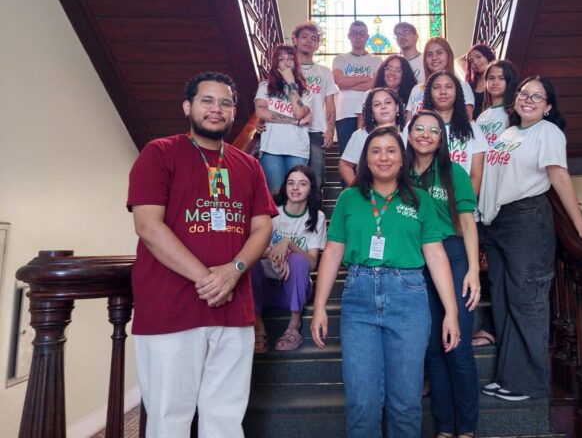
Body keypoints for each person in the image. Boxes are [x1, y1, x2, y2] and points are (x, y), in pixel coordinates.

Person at [127, 71, 276, 438]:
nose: (216, 109)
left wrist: (235, 269)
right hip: (170, 309)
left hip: (233, 311)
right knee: (168, 418)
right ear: (187, 106)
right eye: (207, 100)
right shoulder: (159, 153)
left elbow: (263, 228)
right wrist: (209, 278)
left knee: (225, 418)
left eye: (225, 102)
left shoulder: (249, 165)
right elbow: (148, 226)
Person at [310, 126, 460, 438]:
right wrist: (319, 307)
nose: (383, 157)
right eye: (375, 151)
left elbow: (436, 256)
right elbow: (333, 252)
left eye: (391, 150)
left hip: (409, 298)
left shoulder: (420, 200)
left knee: (405, 402)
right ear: (365, 158)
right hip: (358, 297)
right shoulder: (349, 198)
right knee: (361, 402)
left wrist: (451, 312)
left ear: (402, 158)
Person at [478, 75, 582, 402]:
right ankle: (508, 377)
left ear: (548, 106)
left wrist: (580, 225)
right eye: (524, 93)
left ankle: (529, 384)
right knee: (505, 301)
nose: (528, 99)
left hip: (527, 219)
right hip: (499, 223)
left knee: (527, 300)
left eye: (537, 97)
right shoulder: (508, 133)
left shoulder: (548, 132)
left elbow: (558, 174)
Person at [406, 111, 481, 438]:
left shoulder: (454, 172)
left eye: (433, 130)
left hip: (452, 256)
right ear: (408, 134)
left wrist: (473, 270)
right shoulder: (399, 173)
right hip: (414, 260)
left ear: (441, 138)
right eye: (419, 128)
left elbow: (467, 223)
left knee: (458, 344)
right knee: (434, 347)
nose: (425, 134)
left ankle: (466, 428)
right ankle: (444, 427)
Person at [251, 165, 326, 353]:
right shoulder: (271, 214)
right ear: (285, 187)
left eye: (302, 184)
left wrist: (288, 244)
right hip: (264, 290)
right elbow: (249, 252)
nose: (295, 188)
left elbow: (312, 263)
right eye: (291, 183)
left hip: (292, 289)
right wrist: (273, 253)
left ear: (310, 189)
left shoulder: (317, 217)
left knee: (299, 261)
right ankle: (257, 325)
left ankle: (294, 325)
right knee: (249, 264)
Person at [471, 59, 519, 348]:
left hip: (505, 195)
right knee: (488, 267)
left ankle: (498, 329)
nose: (495, 82)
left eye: (502, 78)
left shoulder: (513, 113)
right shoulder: (483, 115)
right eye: (491, 78)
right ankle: (491, 326)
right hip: (483, 196)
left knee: (504, 270)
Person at [255, 44, 313, 194]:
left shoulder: (306, 92)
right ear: (275, 63)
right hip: (271, 148)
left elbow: (299, 113)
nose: (286, 63)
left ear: (296, 63)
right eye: (281, 59)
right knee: (275, 194)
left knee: (295, 194)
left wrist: (291, 83)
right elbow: (261, 112)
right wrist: (295, 122)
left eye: (290, 59)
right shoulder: (264, 87)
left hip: (297, 149)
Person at [422, 71, 488, 196]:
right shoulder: (415, 127)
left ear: (457, 92)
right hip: (426, 205)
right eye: (437, 87)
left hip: (461, 205)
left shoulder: (473, 129)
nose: (443, 92)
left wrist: (462, 208)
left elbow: (476, 175)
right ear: (429, 93)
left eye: (449, 86)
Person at [293, 20, 337, 187]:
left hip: (315, 131)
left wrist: (330, 129)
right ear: (295, 40)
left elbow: (330, 104)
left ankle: (315, 214)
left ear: (317, 45)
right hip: (290, 129)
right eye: (304, 37)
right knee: (293, 180)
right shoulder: (286, 69)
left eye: (313, 38)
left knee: (316, 179)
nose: (308, 41)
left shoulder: (324, 72)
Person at [333, 20, 381, 155]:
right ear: (349, 36)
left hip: (369, 113)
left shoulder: (376, 60)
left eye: (361, 33)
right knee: (347, 154)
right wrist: (367, 78)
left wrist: (350, 82)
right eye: (354, 33)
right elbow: (341, 83)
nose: (358, 36)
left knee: (368, 154)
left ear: (367, 36)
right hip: (344, 113)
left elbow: (374, 85)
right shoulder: (340, 59)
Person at [339, 87, 406, 186]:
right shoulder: (361, 135)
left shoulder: (408, 133)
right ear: (371, 112)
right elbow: (344, 165)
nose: (383, 107)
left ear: (397, 107)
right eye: (377, 104)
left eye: (388, 102)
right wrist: (357, 191)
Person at [405, 37, 474, 121]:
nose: (434, 57)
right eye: (429, 54)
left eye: (439, 53)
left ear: (448, 55)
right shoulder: (416, 90)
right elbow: (408, 124)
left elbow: (466, 121)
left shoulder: (463, 86)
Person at [356, 53, 417, 128]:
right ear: (382, 71)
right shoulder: (368, 95)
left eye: (398, 70)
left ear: (405, 75)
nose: (392, 73)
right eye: (388, 68)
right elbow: (361, 125)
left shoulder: (411, 96)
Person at [465, 44, 496, 120]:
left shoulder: (498, 82)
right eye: (471, 61)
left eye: (478, 57)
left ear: (487, 56)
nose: (475, 62)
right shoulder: (469, 86)